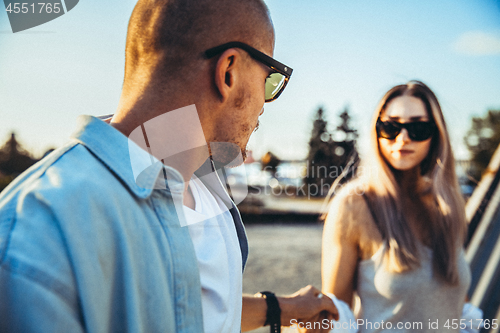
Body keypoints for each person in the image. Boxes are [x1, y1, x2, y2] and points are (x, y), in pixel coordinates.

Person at [0, 0, 337, 332]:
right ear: (229, 72)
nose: (265, 104)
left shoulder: (208, 187)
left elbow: (188, 309)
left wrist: (281, 309)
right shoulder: (36, 234)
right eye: (269, 81)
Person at [321, 81, 472, 332]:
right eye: (390, 127)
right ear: (376, 131)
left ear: (436, 134)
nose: (402, 138)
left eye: (418, 128)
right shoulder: (354, 205)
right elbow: (335, 318)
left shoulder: (446, 205)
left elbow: (457, 303)